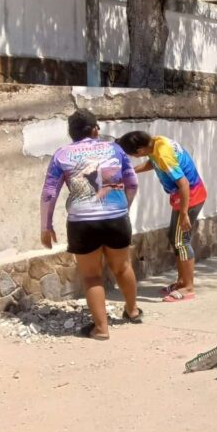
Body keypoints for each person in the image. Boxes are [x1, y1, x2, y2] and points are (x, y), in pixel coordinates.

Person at [40, 109, 143, 340]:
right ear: (95, 129)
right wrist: (124, 207)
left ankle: (101, 329)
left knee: (92, 277)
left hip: (82, 223)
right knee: (123, 267)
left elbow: (49, 192)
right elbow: (132, 182)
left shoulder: (61, 155)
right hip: (116, 217)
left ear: (71, 133)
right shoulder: (114, 149)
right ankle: (132, 311)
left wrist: (46, 226)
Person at [117, 130, 208, 302]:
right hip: (183, 197)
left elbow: (184, 184)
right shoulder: (156, 143)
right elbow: (153, 163)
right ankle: (181, 281)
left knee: (182, 241)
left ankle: (188, 287)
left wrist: (184, 213)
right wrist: (132, 172)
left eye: (132, 155)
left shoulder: (164, 155)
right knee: (175, 239)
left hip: (190, 197)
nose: (134, 157)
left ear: (140, 150)